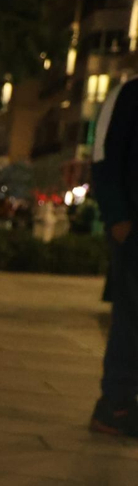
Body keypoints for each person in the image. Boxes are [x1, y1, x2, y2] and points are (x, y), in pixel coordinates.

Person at [91, 75, 138, 437]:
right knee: (132, 313)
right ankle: (115, 405)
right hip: (133, 227)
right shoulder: (128, 94)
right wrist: (118, 220)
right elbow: (103, 156)